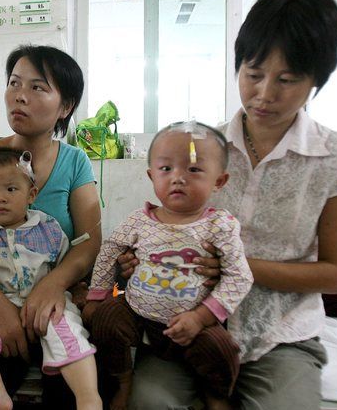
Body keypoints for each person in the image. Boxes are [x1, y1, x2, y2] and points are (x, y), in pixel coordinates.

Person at [119, 0, 337, 409]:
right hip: (186, 326)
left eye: (287, 80)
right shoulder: (202, 149)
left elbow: (336, 273)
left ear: (318, 79)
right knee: (150, 403)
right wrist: (137, 259)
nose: (264, 94)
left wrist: (235, 267)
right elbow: (164, 220)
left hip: (279, 334)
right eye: (253, 74)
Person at [0, 44, 115, 408]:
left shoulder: (75, 161)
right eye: (14, 83)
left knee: (74, 386)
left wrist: (52, 284)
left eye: (37, 87)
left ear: (65, 106)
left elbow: (88, 242)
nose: (20, 96)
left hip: (50, 304)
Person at [83, 122, 252, 410]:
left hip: (196, 323)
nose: (178, 178)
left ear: (219, 181)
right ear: (151, 176)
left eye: (194, 170)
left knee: (222, 350)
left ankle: (216, 395)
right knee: (105, 320)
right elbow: (110, 248)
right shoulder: (140, 219)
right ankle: (123, 382)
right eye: (166, 169)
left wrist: (201, 317)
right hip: (139, 314)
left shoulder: (219, 225)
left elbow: (240, 276)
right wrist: (97, 294)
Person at [0, 148, 101, 410]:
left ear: (31, 194)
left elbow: (62, 268)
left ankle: (88, 397)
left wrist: (75, 290)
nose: (0, 198)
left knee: (67, 326)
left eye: (11, 190)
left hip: (42, 308)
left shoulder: (47, 228)